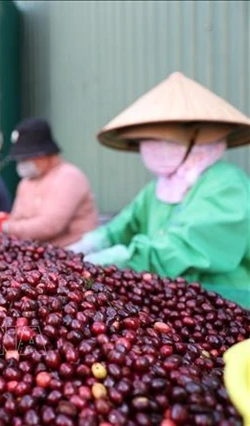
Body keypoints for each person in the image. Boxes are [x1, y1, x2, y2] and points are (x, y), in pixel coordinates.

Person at [67, 72, 250, 308]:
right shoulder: (160, 187)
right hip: (170, 300)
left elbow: (187, 247)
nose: (152, 149)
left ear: (198, 139)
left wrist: (120, 259)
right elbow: (124, 225)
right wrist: (92, 243)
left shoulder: (226, 185)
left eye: (164, 142)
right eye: (147, 142)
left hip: (227, 302)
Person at [1, 118, 98, 246]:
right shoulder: (26, 183)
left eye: (26, 158)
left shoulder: (69, 177)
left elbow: (50, 226)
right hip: (36, 254)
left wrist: (7, 228)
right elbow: (15, 218)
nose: (22, 163)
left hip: (72, 254)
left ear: (45, 154)